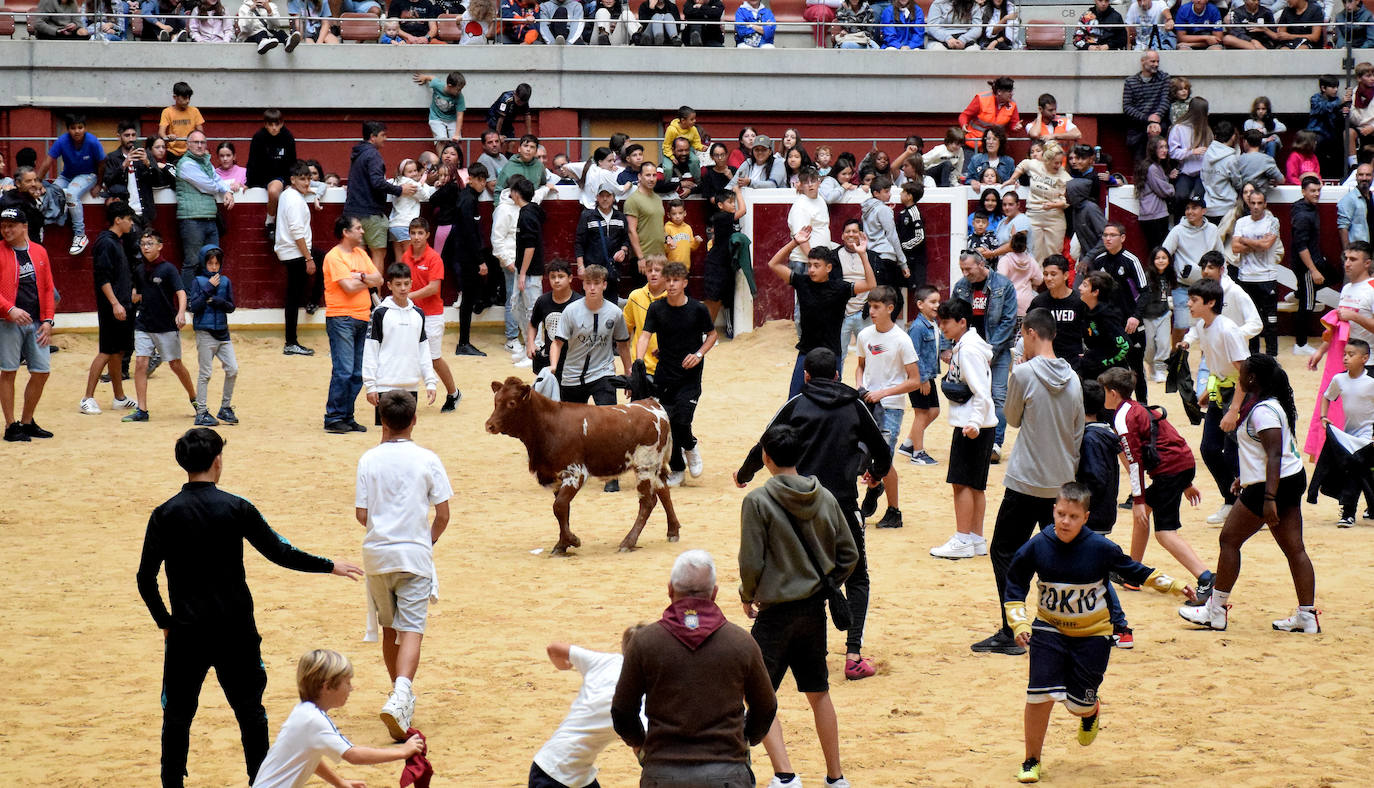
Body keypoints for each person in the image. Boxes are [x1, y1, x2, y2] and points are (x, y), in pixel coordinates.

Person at [137, 427, 364, 788]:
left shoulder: (164, 514)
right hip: (235, 632)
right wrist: (328, 564)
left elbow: (145, 578)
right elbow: (280, 551)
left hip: (186, 633)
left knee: (177, 717)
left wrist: (165, 622)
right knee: (250, 715)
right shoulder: (236, 507)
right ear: (217, 461)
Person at [1005, 482, 1195, 784]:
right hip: (1048, 629)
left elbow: (1134, 570)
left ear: (1086, 517)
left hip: (1093, 636)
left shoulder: (1100, 548)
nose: (1066, 521)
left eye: (1074, 516)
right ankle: (1031, 760)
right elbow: (1015, 584)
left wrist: (1174, 586)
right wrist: (1019, 623)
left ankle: (1090, 711)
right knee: (1038, 695)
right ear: (1054, 510)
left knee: (1076, 705)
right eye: (1061, 514)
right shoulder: (1037, 545)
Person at [734, 347, 892, 681]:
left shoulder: (797, 404)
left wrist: (745, 473)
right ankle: (853, 654)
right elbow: (881, 447)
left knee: (798, 569)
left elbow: (766, 442)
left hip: (799, 503)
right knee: (858, 575)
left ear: (806, 375)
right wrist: (876, 474)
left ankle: (799, 645)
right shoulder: (855, 406)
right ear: (837, 375)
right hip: (844, 503)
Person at [739, 424, 858, 788]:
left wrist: (748, 595)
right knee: (818, 691)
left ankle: (785, 774)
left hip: (775, 612)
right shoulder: (823, 496)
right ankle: (836, 777)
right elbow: (849, 554)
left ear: (766, 458)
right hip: (813, 610)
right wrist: (826, 583)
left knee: (758, 694)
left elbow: (751, 561)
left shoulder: (757, 501)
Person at [610, 550, 777, 787]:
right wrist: (745, 738)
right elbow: (766, 706)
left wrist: (642, 745)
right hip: (726, 771)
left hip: (663, 772)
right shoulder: (741, 642)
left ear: (670, 590)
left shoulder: (645, 642)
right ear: (715, 593)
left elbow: (622, 711)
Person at [972, 308, 1084, 655]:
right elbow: (1078, 429)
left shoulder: (1023, 373)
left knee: (1005, 551)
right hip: (1061, 482)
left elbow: (1013, 419)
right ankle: (1068, 624)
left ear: (1032, 333)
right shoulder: (1074, 377)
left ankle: (1012, 630)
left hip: (1025, 481)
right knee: (1063, 554)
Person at [1179, 354, 1318, 632]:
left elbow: (1275, 454)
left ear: (1252, 379)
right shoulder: (1271, 404)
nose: (1239, 374)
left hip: (1273, 486)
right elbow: (1265, 452)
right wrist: (1245, 476)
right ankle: (1307, 615)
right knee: (1295, 548)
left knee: (1229, 539)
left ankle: (1215, 612)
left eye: (1243, 372)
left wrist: (1268, 499)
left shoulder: (1262, 411)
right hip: (1289, 479)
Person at [355, 389, 451, 739]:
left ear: (382, 420)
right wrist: (426, 541)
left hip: (378, 555)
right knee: (412, 628)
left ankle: (399, 695)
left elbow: (362, 514)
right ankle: (401, 694)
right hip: (413, 553)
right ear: (414, 419)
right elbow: (442, 514)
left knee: (389, 628)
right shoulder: (427, 459)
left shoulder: (368, 459)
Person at [1099, 367, 1214, 595]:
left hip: (1169, 471)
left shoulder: (1122, 417)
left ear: (1113, 393)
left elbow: (1134, 462)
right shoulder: (1137, 407)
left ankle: (1206, 578)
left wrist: (1138, 499)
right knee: (1144, 515)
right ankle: (1132, 573)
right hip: (1181, 464)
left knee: (1165, 533)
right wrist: (1186, 483)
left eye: (1103, 391)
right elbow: (1167, 439)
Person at [252, 649, 425, 788]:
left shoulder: (304, 713)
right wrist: (402, 752)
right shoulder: (314, 720)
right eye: (347, 682)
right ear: (327, 687)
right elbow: (353, 755)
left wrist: (340, 783)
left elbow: (310, 758)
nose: (351, 688)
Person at [531, 626, 650, 788]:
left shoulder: (605, 661)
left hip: (557, 767)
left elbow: (553, 648)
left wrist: (563, 666)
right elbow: (642, 746)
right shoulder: (636, 695)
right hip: (557, 777)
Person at [766, 228, 875, 398]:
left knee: (831, 402)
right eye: (809, 265)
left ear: (829, 267)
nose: (811, 270)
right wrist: (795, 242)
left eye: (817, 266)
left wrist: (862, 254)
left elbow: (870, 284)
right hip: (806, 353)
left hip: (831, 355)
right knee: (794, 400)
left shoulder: (840, 288)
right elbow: (773, 264)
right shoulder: (802, 282)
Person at [639, 261, 717, 487]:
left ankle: (691, 446)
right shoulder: (657, 308)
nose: (671, 285)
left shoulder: (698, 309)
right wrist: (638, 359)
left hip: (689, 376)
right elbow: (645, 335)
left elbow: (712, 335)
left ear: (684, 283)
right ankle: (678, 469)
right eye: (668, 280)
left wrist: (699, 354)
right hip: (665, 375)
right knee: (667, 424)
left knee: (682, 419)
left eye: (676, 281)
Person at [930, 298, 998, 560]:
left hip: (972, 425)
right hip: (980, 424)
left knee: (961, 484)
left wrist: (973, 423)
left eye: (946, 322)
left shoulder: (968, 350)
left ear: (962, 322)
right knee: (975, 485)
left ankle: (962, 538)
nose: (942, 327)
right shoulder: (968, 345)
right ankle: (976, 538)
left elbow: (982, 391)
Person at [1179, 277, 1250, 525]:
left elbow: (1245, 374)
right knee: (1209, 449)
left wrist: (1234, 410)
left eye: (1194, 300)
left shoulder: (1228, 330)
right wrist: (1209, 391)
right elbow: (1213, 367)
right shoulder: (1202, 327)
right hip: (1220, 393)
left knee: (1234, 453)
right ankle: (1231, 501)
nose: (1188, 304)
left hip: (1238, 396)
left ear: (1210, 302)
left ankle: (1250, 507)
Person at [855, 286, 920, 530]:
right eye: (870, 306)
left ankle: (877, 493)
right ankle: (892, 508)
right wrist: (860, 385)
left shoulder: (902, 340)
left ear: (890, 308)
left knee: (884, 457)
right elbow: (861, 366)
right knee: (871, 457)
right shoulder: (864, 336)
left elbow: (915, 380)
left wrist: (884, 392)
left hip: (891, 406)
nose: (871, 311)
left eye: (876, 307)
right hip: (867, 404)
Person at [123, 228, 198, 424]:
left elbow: (181, 292)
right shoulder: (139, 270)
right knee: (140, 363)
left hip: (166, 325)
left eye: (150, 244)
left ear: (160, 246)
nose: (146, 247)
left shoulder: (168, 269)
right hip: (144, 324)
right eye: (143, 244)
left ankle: (195, 399)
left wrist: (181, 312)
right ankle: (142, 409)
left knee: (175, 365)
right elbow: (138, 294)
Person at [947, 249, 1018, 459]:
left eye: (968, 268)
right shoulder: (961, 286)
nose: (965, 273)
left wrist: (990, 351)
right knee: (969, 394)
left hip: (997, 350)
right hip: (969, 350)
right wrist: (945, 346)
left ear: (981, 264)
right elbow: (950, 315)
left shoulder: (1003, 285)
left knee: (998, 396)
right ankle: (974, 435)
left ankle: (994, 443)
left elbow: (1008, 321)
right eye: (962, 269)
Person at [550, 265, 632, 429]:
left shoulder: (615, 313)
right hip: (572, 374)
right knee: (571, 426)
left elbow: (623, 345)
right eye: (588, 283)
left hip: (603, 372)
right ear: (583, 285)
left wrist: (629, 373)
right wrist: (553, 366)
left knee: (610, 422)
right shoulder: (571, 311)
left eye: (597, 283)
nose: (592, 288)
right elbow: (557, 342)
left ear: (604, 285)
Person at [323, 215, 383, 434]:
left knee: (357, 371)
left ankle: (346, 415)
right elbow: (347, 287)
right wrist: (364, 279)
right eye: (358, 228)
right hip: (341, 317)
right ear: (346, 232)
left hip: (361, 316)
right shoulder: (334, 256)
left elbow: (379, 279)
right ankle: (334, 417)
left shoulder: (360, 253)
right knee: (344, 369)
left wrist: (359, 276)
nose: (362, 231)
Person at [363, 261, 439, 429]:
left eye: (406, 284)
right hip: (385, 385)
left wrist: (430, 381)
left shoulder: (418, 314)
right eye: (398, 284)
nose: (403, 288)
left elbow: (423, 350)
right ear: (389, 285)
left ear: (411, 284)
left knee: (406, 431)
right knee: (386, 431)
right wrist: (370, 385)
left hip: (411, 385)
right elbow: (371, 350)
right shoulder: (380, 313)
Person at [0, 207, 54, 442]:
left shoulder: (40, 252)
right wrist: (9, 309)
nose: (6, 230)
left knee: (42, 372)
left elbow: (48, 288)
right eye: (3, 226)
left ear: (24, 227)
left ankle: (28, 421)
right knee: (8, 372)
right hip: (7, 322)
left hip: (37, 321)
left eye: (11, 226)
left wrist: (49, 320)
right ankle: (11, 425)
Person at [81, 202, 139, 416]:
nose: (131, 223)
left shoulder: (115, 242)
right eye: (129, 219)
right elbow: (102, 277)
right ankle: (87, 398)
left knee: (117, 351)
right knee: (106, 351)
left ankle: (119, 397)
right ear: (118, 220)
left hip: (121, 305)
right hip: (112, 306)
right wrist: (114, 303)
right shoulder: (106, 243)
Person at [344, 121, 415, 273]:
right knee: (378, 254)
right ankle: (376, 296)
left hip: (352, 213)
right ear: (372, 137)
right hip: (371, 213)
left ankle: (363, 296)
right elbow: (377, 182)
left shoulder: (357, 154)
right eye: (383, 135)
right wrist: (400, 189)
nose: (386, 138)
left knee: (358, 255)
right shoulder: (373, 155)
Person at [175, 131, 237, 292]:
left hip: (209, 218)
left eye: (202, 142)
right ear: (188, 144)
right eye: (195, 142)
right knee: (192, 261)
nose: (200, 145)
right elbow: (208, 185)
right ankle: (188, 299)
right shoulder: (186, 164)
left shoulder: (206, 163)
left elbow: (217, 181)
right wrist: (225, 189)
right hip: (191, 219)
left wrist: (228, 192)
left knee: (213, 260)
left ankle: (210, 296)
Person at [1321, 339, 1374, 525]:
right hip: (1349, 435)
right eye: (1344, 354)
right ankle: (1353, 511)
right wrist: (1323, 417)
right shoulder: (1339, 379)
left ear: (1364, 358)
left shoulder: (1371, 382)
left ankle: (1349, 513)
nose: (1345, 358)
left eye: (1351, 355)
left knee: (1358, 471)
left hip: (1369, 436)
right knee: (1358, 472)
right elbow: (1327, 397)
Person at [186, 244, 238, 428]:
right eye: (210, 263)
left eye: (217, 263)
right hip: (205, 332)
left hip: (223, 333)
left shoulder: (225, 282)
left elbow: (231, 307)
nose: (214, 267)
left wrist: (217, 301)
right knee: (205, 373)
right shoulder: (198, 281)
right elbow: (194, 306)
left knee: (233, 369)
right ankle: (201, 412)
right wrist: (208, 289)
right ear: (204, 264)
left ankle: (225, 407)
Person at [36, 114, 103, 256]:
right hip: (67, 175)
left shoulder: (92, 141)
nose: (77, 131)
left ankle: (80, 235)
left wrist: (99, 184)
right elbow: (48, 161)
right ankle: (40, 226)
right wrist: (37, 182)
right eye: (73, 128)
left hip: (89, 174)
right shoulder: (62, 141)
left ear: (85, 128)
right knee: (49, 192)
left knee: (71, 194)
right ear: (68, 129)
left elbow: (103, 163)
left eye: (80, 127)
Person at [1162, 196, 1223, 347]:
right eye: (1187, 208)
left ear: (1204, 211)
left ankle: (1207, 363)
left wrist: (1222, 281)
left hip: (1207, 288)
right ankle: (1176, 361)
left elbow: (1220, 257)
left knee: (1209, 325)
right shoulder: (1177, 230)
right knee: (1181, 325)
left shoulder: (1213, 230)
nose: (1189, 211)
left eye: (1194, 208)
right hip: (1183, 287)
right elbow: (1164, 254)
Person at [274, 162, 318, 358]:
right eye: (302, 178)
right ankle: (291, 341)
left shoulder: (288, 195)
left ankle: (291, 340)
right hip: (296, 253)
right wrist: (308, 257)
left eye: (308, 178)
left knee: (293, 297)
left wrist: (313, 194)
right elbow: (296, 230)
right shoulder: (293, 199)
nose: (307, 182)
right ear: (293, 179)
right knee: (293, 298)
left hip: (291, 251)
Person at [1231, 189, 1282, 356]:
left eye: (1260, 203)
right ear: (1248, 203)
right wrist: (1257, 243)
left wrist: (1245, 240)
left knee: (1270, 321)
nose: (1256, 206)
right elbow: (1235, 247)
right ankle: (1252, 356)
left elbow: (1266, 245)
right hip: (1245, 277)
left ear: (1265, 204)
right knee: (1250, 320)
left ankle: (1272, 356)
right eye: (1252, 203)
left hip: (1267, 277)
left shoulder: (1272, 221)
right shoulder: (1241, 222)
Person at [1002, 143, 1070, 265]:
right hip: (1034, 214)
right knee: (1034, 251)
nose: (1059, 165)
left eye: (1061, 162)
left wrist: (1054, 205)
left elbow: (1067, 201)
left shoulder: (1064, 175)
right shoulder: (1035, 165)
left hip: (1054, 217)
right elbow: (1022, 165)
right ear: (1046, 160)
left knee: (1053, 251)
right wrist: (1013, 178)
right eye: (1056, 162)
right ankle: (1036, 281)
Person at [898, 286, 942, 465]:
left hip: (927, 375)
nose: (937, 305)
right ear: (920, 304)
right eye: (932, 302)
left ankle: (909, 443)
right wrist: (922, 378)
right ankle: (918, 453)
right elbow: (914, 354)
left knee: (934, 410)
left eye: (938, 302)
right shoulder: (917, 327)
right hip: (918, 377)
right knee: (922, 413)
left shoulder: (932, 324)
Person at [1292, 176, 1332, 356]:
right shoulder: (1302, 215)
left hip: (1313, 260)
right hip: (1307, 266)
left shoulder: (1306, 207)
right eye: (1312, 191)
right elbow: (1301, 247)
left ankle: (1298, 293)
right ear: (1303, 192)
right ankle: (1300, 345)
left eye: (1318, 190)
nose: (1317, 194)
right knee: (1307, 304)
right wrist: (1313, 271)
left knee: (1333, 275)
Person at [246, 109, 297, 237]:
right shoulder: (258, 137)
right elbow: (252, 161)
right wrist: (250, 182)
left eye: (277, 124)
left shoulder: (288, 137)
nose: (274, 128)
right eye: (271, 125)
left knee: (274, 191)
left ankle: (270, 220)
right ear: (265, 124)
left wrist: (290, 181)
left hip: (280, 176)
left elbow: (292, 161)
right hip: (262, 175)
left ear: (282, 123)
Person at [1029, 255, 1086, 368]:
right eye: (1045, 274)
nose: (1048, 278)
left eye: (1053, 274)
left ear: (1065, 275)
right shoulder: (1038, 302)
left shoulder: (1079, 301)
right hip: (1044, 363)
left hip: (1074, 363)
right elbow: (1028, 331)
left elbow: (1090, 329)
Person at [575, 185, 632, 299]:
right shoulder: (587, 216)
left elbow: (626, 240)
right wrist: (581, 266)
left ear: (613, 198)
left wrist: (623, 251)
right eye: (602, 196)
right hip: (592, 270)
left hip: (612, 271)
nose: (605, 199)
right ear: (597, 197)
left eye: (608, 196)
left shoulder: (620, 217)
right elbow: (579, 243)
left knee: (611, 306)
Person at [527, 259, 582, 374]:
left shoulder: (580, 303)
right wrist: (531, 343)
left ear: (570, 278)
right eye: (553, 277)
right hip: (549, 357)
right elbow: (533, 324)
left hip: (574, 359)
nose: (556, 280)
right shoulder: (542, 301)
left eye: (561, 276)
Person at [1121, 51, 1171, 162]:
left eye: (1158, 61)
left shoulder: (1164, 78)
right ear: (1143, 61)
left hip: (1159, 123)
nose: (1156, 64)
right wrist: (1147, 119)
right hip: (1139, 126)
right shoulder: (1130, 81)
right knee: (1141, 162)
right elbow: (1127, 106)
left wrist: (1156, 117)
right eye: (1153, 61)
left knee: (1161, 149)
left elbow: (1166, 99)